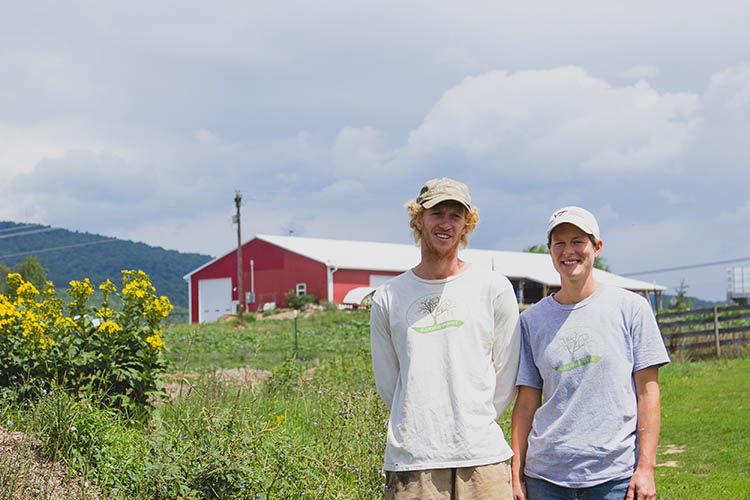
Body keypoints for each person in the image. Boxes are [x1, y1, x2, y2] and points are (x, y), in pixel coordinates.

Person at [370, 177, 521, 500]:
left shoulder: (493, 288)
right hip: (414, 459)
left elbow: (506, 374)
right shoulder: (389, 296)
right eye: (436, 213)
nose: (446, 223)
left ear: (467, 224)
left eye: (455, 216)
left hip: (482, 458)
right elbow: (389, 382)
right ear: (418, 219)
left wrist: (471, 420)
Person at [510, 206, 670, 500]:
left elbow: (648, 392)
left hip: (613, 477)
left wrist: (646, 468)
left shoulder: (631, 309)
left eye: (578, 241)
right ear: (550, 250)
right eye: (559, 243)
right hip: (544, 478)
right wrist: (516, 474)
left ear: (597, 247)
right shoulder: (532, 321)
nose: (568, 251)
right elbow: (526, 402)